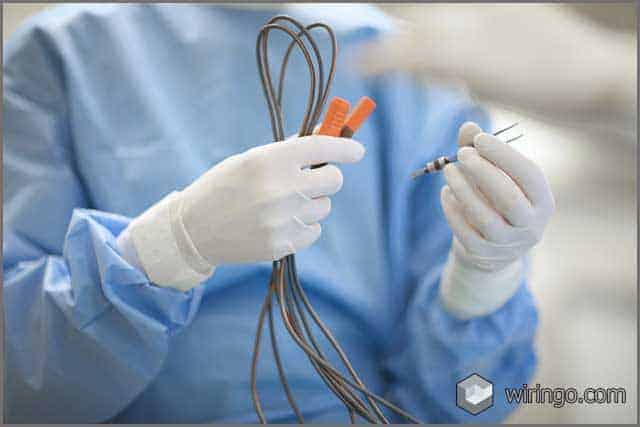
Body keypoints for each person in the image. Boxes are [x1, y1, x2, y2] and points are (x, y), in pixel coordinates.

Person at [3, 4, 554, 423]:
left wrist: (482, 280)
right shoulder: (64, 55)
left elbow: (469, 400)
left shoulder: (410, 67)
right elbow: (18, 380)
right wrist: (172, 243)